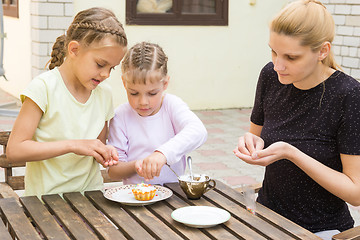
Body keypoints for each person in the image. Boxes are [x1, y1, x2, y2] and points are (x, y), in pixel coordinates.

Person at [233, 0, 360, 239]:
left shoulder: (349, 95)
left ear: (323, 51)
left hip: (322, 229)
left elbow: (355, 193)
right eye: (273, 51)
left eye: (291, 57)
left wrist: (292, 153)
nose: (278, 65)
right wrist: (250, 144)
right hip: (267, 217)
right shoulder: (270, 76)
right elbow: (255, 136)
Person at [6, 7, 128, 199]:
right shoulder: (43, 88)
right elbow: (15, 150)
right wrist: (72, 145)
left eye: (111, 68)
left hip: (91, 199)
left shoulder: (104, 94)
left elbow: (97, 145)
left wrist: (105, 152)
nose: (105, 74)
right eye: (100, 64)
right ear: (74, 50)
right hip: (46, 204)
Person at [107, 42, 207, 185]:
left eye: (152, 93)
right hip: (133, 199)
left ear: (165, 84)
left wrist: (161, 154)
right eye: (134, 93)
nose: (143, 102)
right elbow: (114, 172)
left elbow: (198, 131)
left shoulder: (171, 105)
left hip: (174, 195)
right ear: (124, 83)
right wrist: (137, 165)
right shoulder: (121, 116)